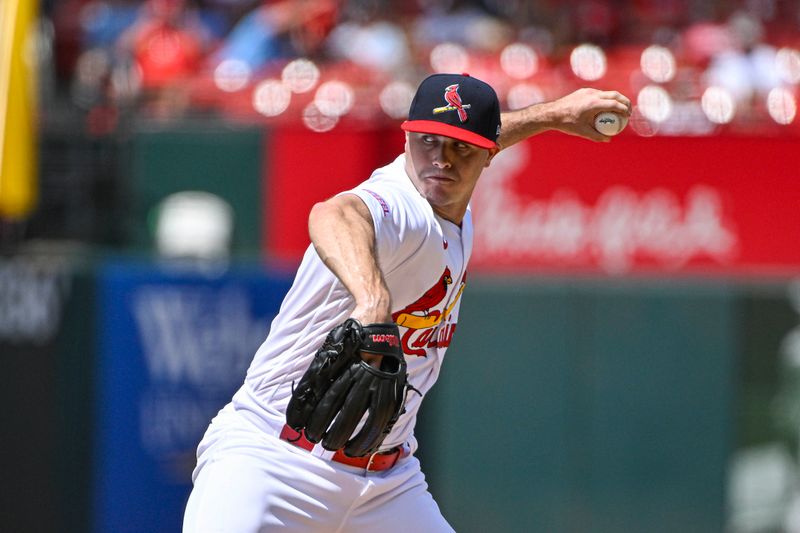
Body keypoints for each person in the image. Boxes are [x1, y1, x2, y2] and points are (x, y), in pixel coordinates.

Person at [182, 73, 630, 532]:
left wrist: (553, 115)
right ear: (408, 138)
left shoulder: (454, 202)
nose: (441, 160)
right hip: (272, 461)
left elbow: (485, 134)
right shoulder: (403, 207)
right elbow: (335, 213)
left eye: (461, 149)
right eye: (428, 142)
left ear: (487, 155)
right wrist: (373, 301)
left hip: (387, 486)